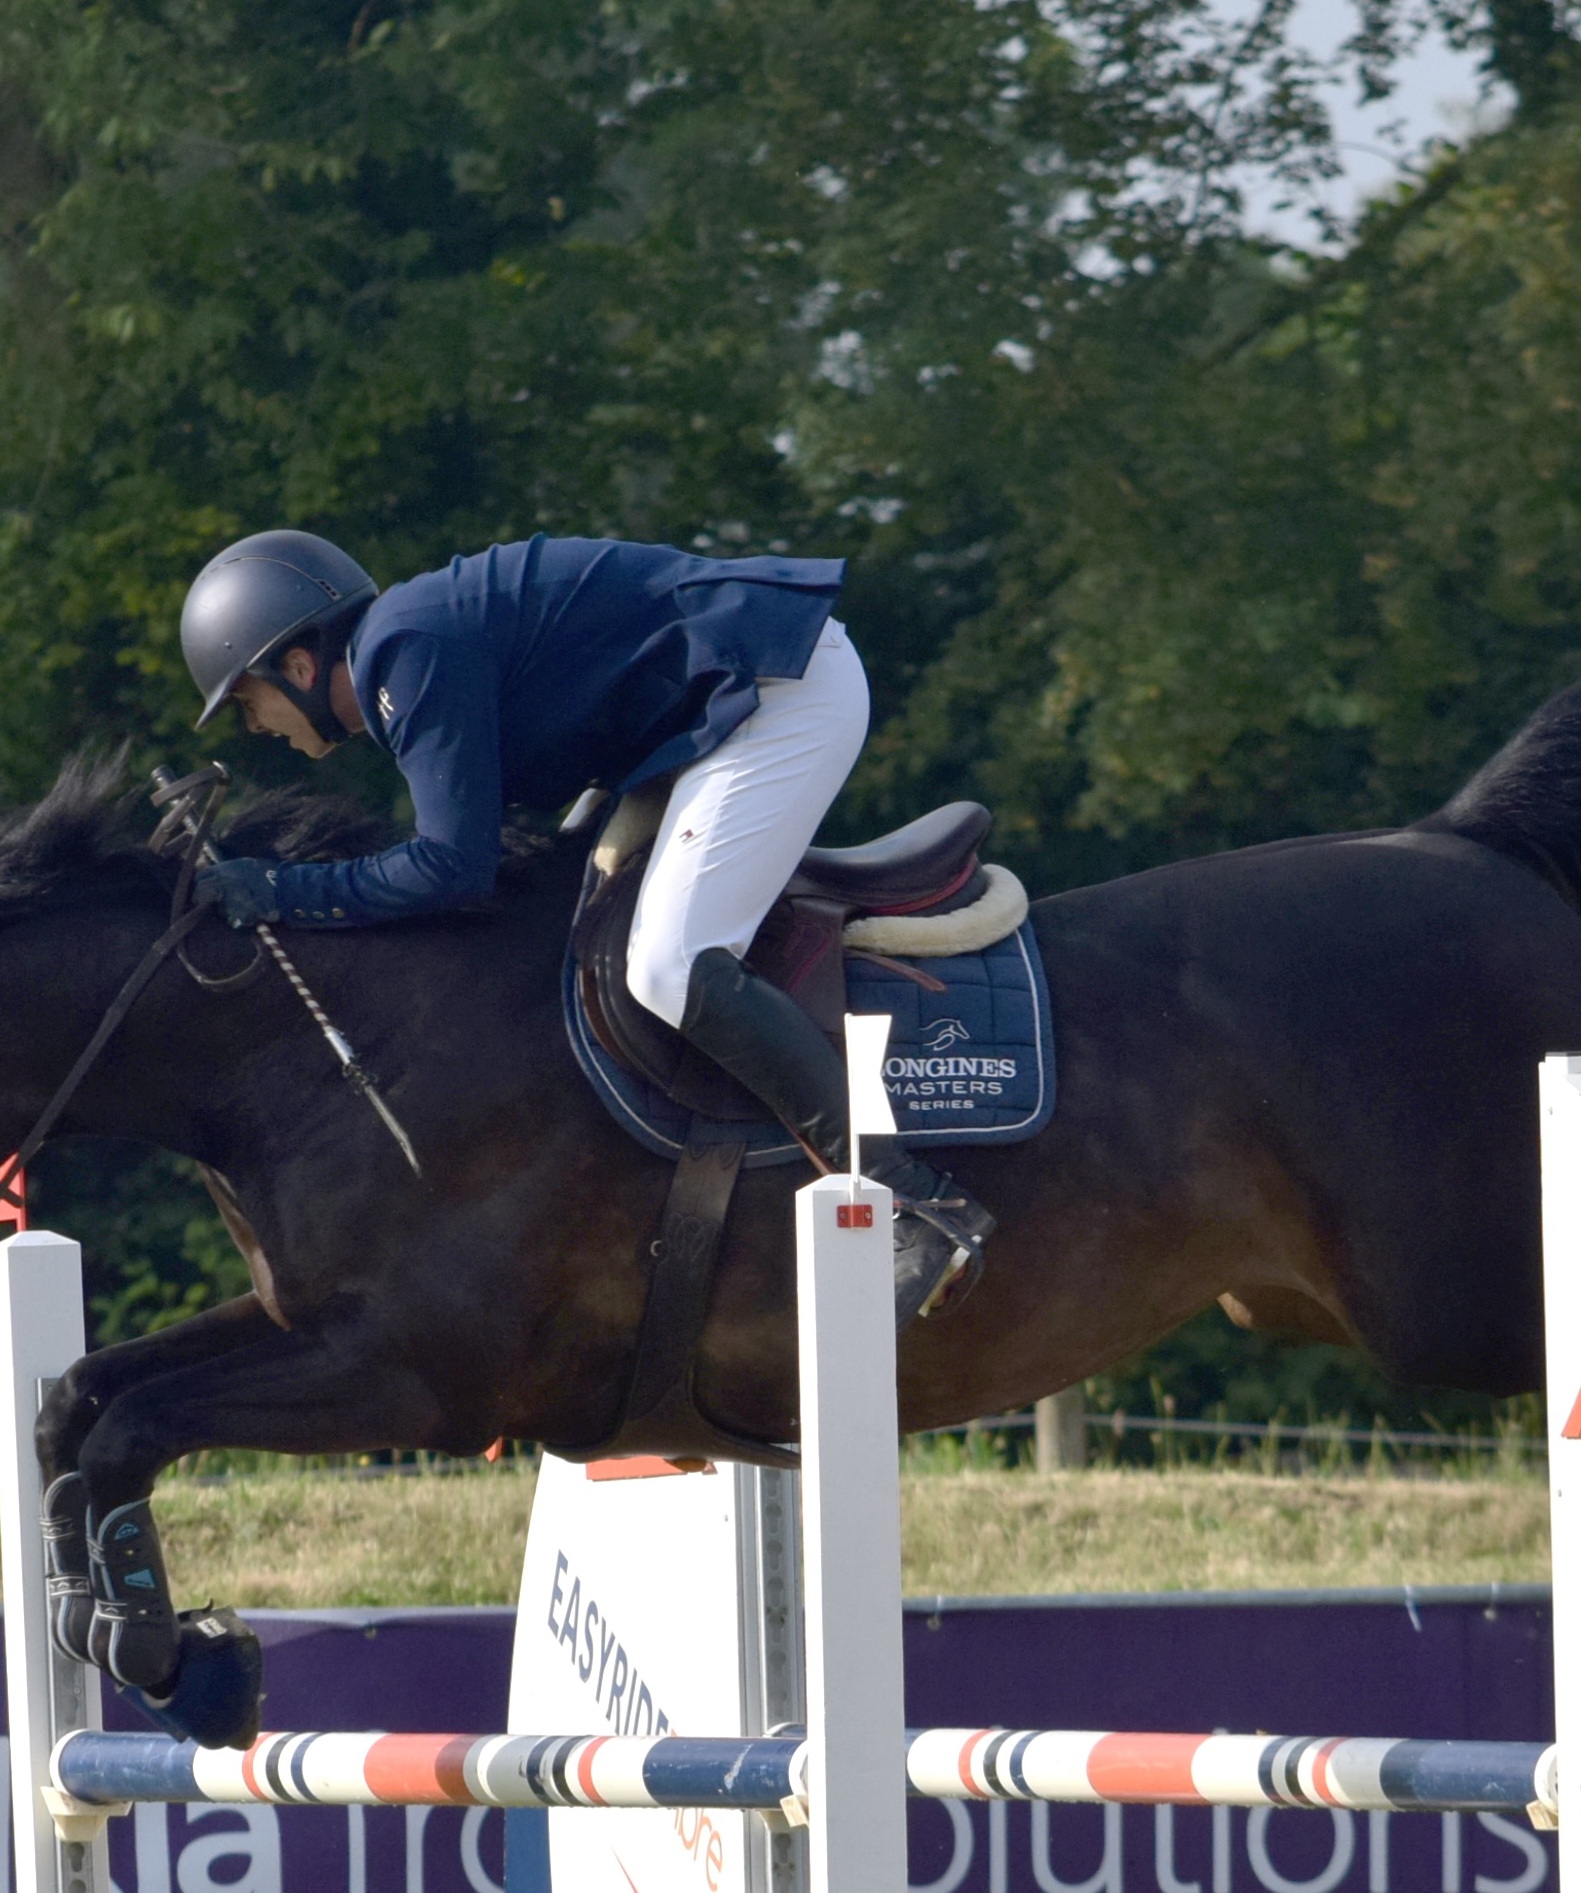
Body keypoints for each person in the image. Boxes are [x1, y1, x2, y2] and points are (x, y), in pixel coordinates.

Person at [175, 528, 995, 1317]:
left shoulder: (404, 654)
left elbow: (452, 868)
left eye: (248, 702)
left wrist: (283, 891)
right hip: (715, 709)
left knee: (671, 965)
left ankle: (919, 1203)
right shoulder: (405, 645)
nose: (257, 727)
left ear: (298, 664)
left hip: (777, 692)